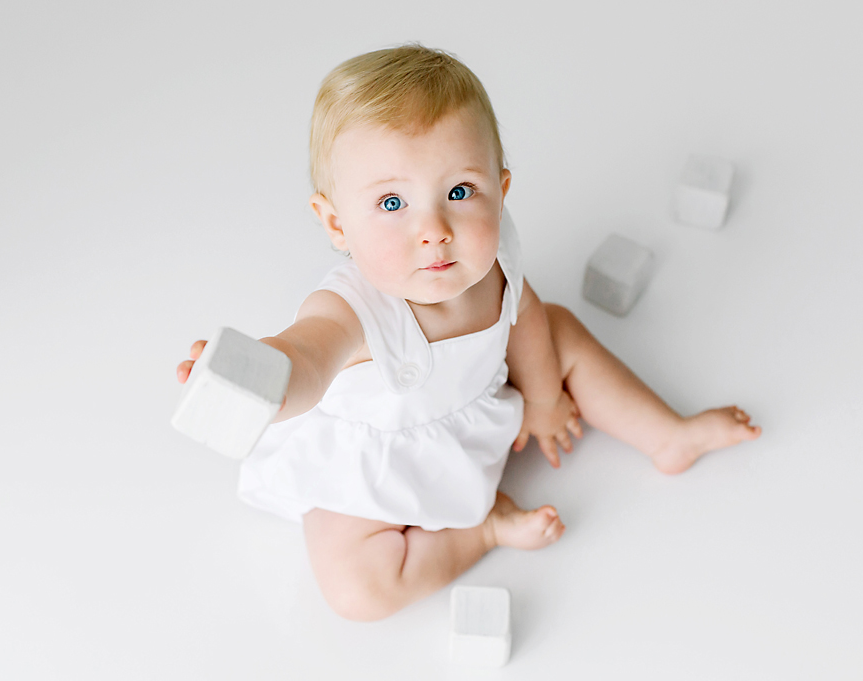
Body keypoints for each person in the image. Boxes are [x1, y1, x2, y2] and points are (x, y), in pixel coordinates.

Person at [175, 44, 762, 622]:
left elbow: (524, 314)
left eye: (459, 193)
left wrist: (541, 397)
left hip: (483, 403)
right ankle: (481, 532)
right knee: (358, 589)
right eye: (391, 202)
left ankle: (667, 434)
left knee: (558, 326)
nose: (434, 230)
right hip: (377, 459)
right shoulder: (350, 308)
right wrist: (262, 376)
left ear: (500, 190)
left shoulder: (495, 250)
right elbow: (307, 354)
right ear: (336, 223)